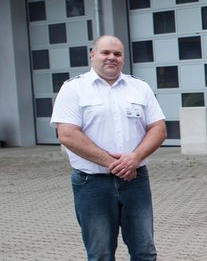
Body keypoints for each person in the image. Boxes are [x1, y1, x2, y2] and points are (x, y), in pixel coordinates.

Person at [51, 35, 167, 261]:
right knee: (100, 253)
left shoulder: (139, 87)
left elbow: (158, 129)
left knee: (145, 251)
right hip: (92, 184)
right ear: (92, 55)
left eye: (117, 54)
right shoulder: (73, 89)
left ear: (123, 58)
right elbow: (67, 134)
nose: (111, 58)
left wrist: (135, 158)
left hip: (135, 181)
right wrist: (116, 164)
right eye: (105, 53)